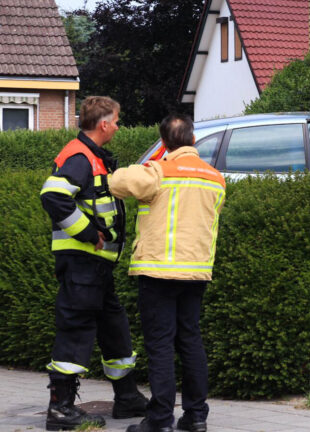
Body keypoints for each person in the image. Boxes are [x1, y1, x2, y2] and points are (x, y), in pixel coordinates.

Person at [110, 113, 226, 432]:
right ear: (192, 139)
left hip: (158, 271)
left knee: (160, 345)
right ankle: (196, 416)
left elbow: (118, 183)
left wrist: (153, 162)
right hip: (196, 272)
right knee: (190, 340)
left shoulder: (158, 171)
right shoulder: (215, 177)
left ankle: (160, 420)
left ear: (163, 142)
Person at [39, 96, 148, 431]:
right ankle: (60, 410)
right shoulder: (80, 156)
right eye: (116, 121)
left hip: (96, 266)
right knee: (76, 329)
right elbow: (52, 195)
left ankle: (127, 396)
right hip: (82, 262)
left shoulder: (94, 157)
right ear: (103, 124)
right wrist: (88, 232)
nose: (118, 126)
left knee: (114, 328)